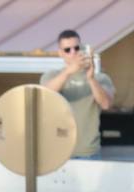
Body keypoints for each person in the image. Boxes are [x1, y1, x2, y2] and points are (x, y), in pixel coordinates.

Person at [41, 30, 115, 160]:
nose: (73, 52)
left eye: (76, 48)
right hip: (59, 152)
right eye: (67, 50)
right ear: (60, 53)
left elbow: (106, 104)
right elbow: (44, 95)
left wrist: (91, 79)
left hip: (88, 152)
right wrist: (69, 72)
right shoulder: (52, 76)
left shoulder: (101, 78)